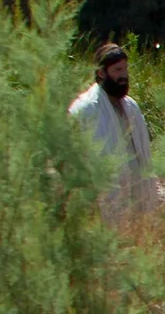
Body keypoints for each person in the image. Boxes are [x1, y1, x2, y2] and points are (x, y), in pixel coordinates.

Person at [66, 43, 156, 220]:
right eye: (117, 70)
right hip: (103, 199)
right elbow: (73, 159)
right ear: (101, 73)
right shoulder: (85, 109)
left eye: (125, 69)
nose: (123, 75)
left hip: (136, 194)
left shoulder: (131, 107)